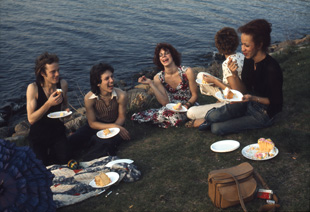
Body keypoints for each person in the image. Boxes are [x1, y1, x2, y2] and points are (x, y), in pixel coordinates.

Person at [198, 19, 283, 135]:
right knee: (213, 116)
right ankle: (211, 118)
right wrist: (234, 75)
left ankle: (211, 121)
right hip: (247, 103)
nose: (242, 49)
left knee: (216, 128)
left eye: (247, 45)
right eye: (242, 44)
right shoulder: (248, 60)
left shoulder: (272, 68)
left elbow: (276, 103)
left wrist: (252, 98)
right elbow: (242, 91)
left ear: (259, 45)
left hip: (264, 113)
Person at [68, 63, 130, 161]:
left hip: (116, 124)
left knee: (103, 143)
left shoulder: (121, 95)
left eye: (112, 77)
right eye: (107, 79)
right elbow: (92, 123)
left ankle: (87, 161)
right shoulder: (89, 98)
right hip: (96, 125)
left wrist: (115, 127)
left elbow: (122, 117)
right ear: (98, 83)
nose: (112, 80)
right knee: (72, 140)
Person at [186, 27, 245, 127]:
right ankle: (219, 103)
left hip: (233, 100)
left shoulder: (227, 64)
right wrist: (215, 82)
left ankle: (213, 112)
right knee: (201, 75)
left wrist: (215, 81)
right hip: (235, 92)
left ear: (219, 47)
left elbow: (236, 93)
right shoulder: (241, 55)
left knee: (190, 112)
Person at [131, 43, 198, 128]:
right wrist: (151, 84)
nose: (163, 56)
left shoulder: (187, 72)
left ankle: (160, 121)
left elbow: (195, 95)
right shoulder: (158, 78)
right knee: (140, 116)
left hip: (189, 105)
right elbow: (165, 102)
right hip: (171, 108)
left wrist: (187, 105)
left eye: (166, 53)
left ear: (173, 55)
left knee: (176, 116)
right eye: (161, 55)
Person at [26, 52, 70, 166]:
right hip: (39, 135)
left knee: (64, 162)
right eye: (53, 72)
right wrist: (48, 104)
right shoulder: (33, 88)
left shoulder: (63, 84)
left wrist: (67, 112)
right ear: (42, 73)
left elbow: (65, 106)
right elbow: (31, 119)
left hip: (57, 132)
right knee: (41, 166)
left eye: (58, 70)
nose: (57, 74)